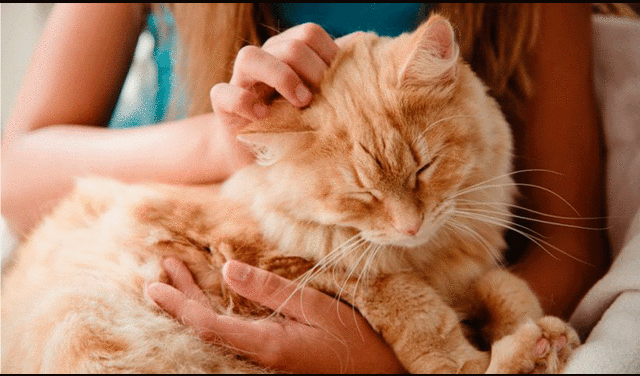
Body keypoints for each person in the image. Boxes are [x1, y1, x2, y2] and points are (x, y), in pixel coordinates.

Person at [1, 3, 629, 373]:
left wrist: (382, 355)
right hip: (136, 241)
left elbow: (569, 246)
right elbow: (14, 175)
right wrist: (225, 144)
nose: (407, 219)